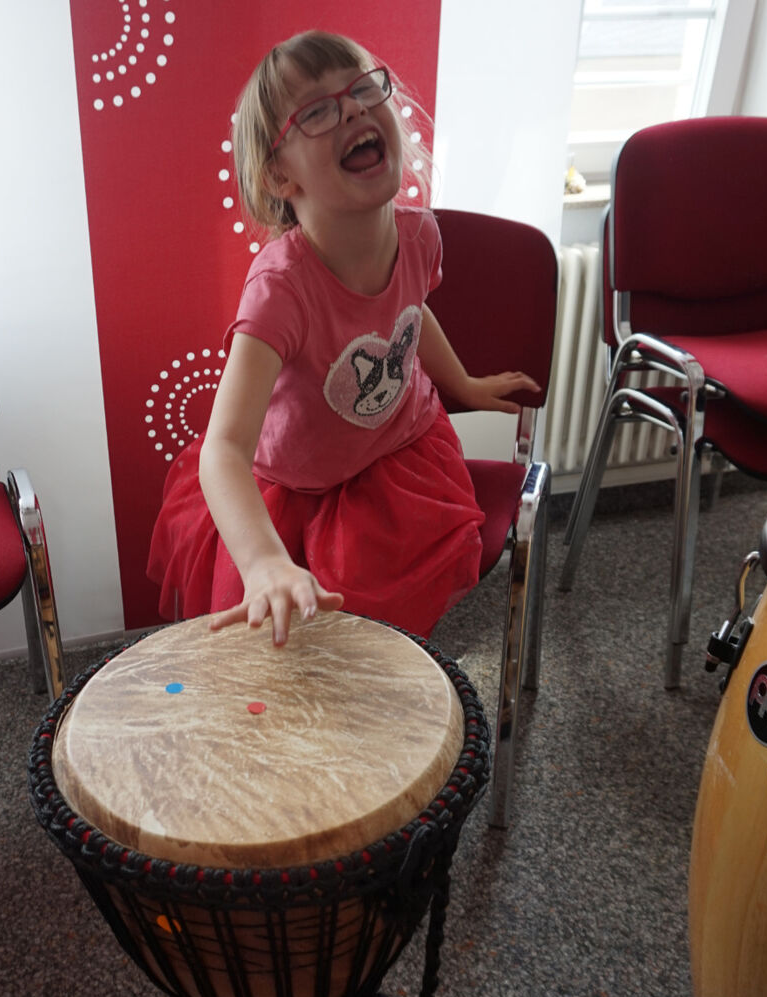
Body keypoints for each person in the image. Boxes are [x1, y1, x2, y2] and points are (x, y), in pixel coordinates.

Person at [148, 30, 538, 646]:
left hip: (400, 458)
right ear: (279, 175)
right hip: (303, 491)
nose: (354, 109)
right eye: (317, 111)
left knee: (383, 640)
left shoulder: (420, 235)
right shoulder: (281, 289)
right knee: (307, 651)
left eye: (362, 89)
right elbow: (222, 450)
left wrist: (461, 382)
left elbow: (408, 316)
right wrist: (264, 562)